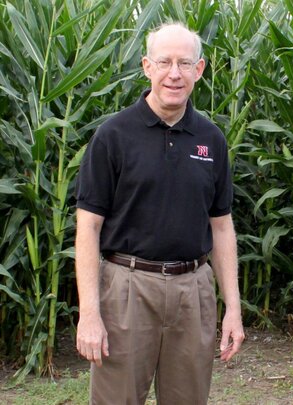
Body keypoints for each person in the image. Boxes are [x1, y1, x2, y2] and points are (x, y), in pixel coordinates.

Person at [74, 22, 245, 404]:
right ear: (146, 66)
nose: (174, 73)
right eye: (164, 62)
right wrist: (90, 313)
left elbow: (221, 226)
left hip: (193, 290)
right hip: (126, 288)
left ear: (199, 70)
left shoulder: (211, 139)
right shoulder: (113, 136)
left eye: (185, 64)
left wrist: (232, 307)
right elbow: (88, 227)